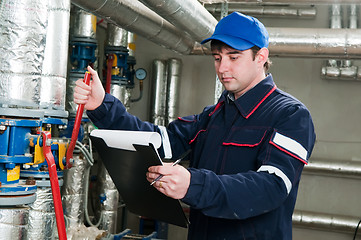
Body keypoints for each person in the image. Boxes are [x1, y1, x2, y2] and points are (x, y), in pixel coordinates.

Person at [74, 12, 316, 240]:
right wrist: (102, 106)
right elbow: (159, 142)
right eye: (217, 58)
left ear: (260, 57)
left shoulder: (290, 115)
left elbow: (271, 187)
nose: (222, 68)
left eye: (233, 57)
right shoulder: (213, 117)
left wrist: (193, 184)